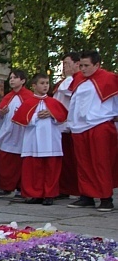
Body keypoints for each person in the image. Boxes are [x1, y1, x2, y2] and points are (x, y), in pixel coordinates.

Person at [66, 50, 118, 212]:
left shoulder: (109, 78)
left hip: (100, 124)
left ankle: (105, 198)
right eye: (81, 65)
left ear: (97, 65)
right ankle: (86, 196)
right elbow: (74, 103)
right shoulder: (79, 80)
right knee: (83, 163)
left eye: (86, 65)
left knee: (101, 162)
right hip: (80, 126)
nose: (82, 69)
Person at [13, 74, 68, 205]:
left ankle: (49, 194)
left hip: (51, 140)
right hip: (33, 142)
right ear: (34, 86)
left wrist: (52, 113)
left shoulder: (54, 103)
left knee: (51, 169)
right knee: (34, 169)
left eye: (47, 83)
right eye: (42, 83)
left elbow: (62, 118)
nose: (45, 86)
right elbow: (22, 120)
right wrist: (36, 116)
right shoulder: (28, 103)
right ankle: (35, 194)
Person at [0, 70, 31, 199]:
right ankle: (6, 187)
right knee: (5, 159)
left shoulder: (29, 96)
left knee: (21, 161)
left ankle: (21, 188)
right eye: (10, 78)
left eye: (15, 78)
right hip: (8, 132)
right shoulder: (7, 97)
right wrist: (2, 113)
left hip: (22, 133)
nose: (12, 80)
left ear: (22, 81)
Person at [52, 52, 80, 198]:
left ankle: (74, 189)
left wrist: (70, 76)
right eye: (63, 65)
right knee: (62, 160)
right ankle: (63, 188)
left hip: (71, 126)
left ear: (77, 64)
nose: (65, 68)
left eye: (67, 64)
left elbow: (68, 92)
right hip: (60, 126)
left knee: (72, 161)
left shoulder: (76, 81)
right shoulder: (63, 82)